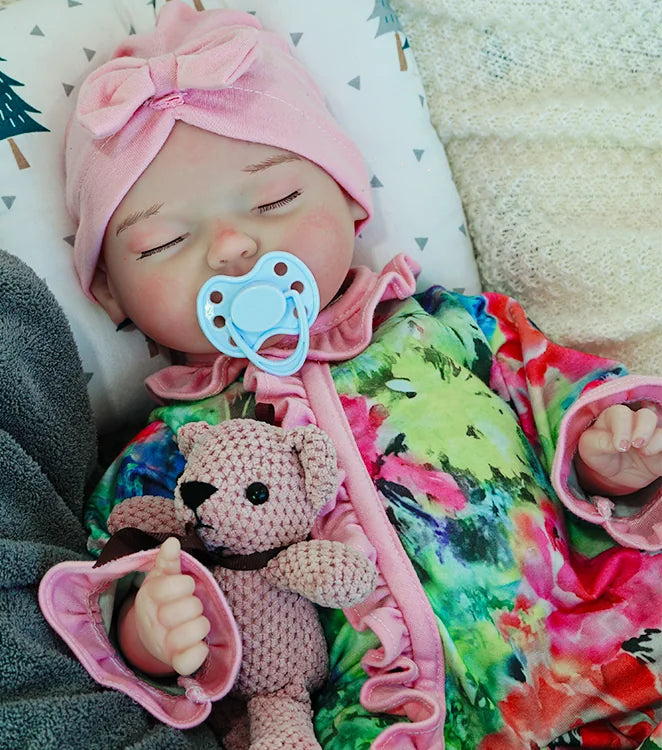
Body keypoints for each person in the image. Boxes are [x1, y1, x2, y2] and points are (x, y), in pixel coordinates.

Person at [51, 1, 662, 748]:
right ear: (110, 292)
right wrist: (150, 629)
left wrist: (609, 455)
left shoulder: (455, 327)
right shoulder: (166, 453)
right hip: (372, 728)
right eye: (166, 240)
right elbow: (118, 562)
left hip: (602, 671)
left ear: (347, 199)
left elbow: (554, 392)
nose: (236, 247)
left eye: (276, 200)